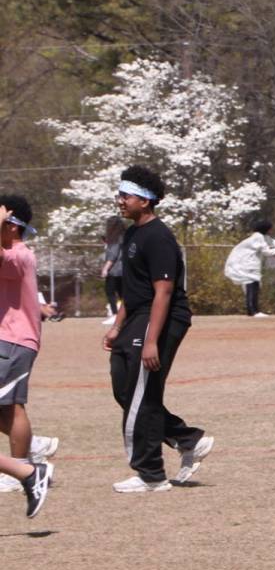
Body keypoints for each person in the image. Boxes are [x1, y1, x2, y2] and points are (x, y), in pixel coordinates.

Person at [104, 166, 215, 492]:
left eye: (126, 196)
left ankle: (150, 475)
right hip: (137, 316)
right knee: (126, 390)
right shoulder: (131, 234)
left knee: (141, 393)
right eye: (120, 195)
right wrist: (117, 326)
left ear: (145, 200)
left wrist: (152, 339)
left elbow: (163, 292)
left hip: (162, 317)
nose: (120, 200)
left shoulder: (159, 237)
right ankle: (186, 438)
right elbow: (132, 290)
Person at [1, 197, 53, 517]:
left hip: (14, 342)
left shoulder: (19, 255)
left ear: (11, 225)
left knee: (12, 406)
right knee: (5, 409)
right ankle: (32, 453)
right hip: (7, 341)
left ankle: (22, 470)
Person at [222, 217, 275, 317]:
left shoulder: (261, 237)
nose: (271, 230)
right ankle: (252, 311)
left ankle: (254, 311)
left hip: (249, 264)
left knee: (255, 285)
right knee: (252, 285)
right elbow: (267, 252)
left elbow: (274, 242)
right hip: (246, 264)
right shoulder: (258, 238)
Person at [100, 218, 126, 326]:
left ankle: (115, 314)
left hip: (115, 270)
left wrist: (105, 268)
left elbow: (113, 256)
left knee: (110, 292)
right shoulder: (125, 237)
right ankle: (124, 315)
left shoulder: (115, 239)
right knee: (122, 293)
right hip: (124, 270)